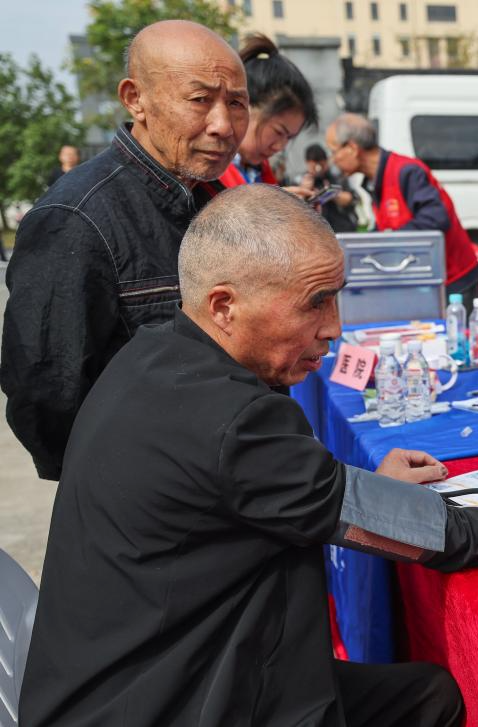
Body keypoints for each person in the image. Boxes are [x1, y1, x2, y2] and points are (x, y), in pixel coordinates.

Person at [19, 184, 478, 726]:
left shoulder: (152, 354)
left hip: (118, 679)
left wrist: (352, 483)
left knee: (426, 695)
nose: (334, 328)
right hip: (181, 697)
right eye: (315, 302)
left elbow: (259, 488)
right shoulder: (237, 419)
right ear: (225, 305)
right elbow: (441, 534)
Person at [1, 20, 248, 480]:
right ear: (136, 99)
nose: (223, 125)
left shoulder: (212, 199)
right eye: (200, 100)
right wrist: (125, 488)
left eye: (237, 103)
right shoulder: (75, 218)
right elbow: (46, 398)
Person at [327, 113, 478, 311]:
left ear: (352, 148)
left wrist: (388, 240)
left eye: (333, 152)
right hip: (422, 277)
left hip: (453, 280)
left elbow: (435, 219)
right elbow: (386, 226)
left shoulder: (407, 171)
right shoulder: (374, 181)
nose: (333, 160)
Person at [217, 34, 315, 200]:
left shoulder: (260, 170)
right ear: (243, 106)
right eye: (278, 132)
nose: (280, 147)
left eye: (289, 138)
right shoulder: (207, 168)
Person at [303, 142, 359, 232]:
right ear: (307, 163)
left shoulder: (338, 178)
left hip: (340, 229)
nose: (319, 169)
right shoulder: (301, 180)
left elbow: (353, 199)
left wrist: (332, 194)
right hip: (314, 232)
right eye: (314, 165)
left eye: (322, 164)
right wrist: (304, 191)